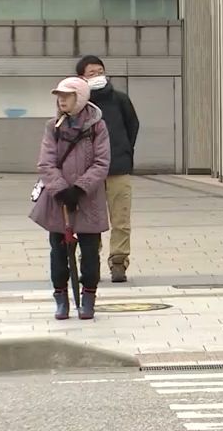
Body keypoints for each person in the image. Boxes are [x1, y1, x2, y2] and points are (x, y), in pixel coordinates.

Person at [30, 77, 110, 320]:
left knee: (89, 251)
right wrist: (62, 189)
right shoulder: (53, 126)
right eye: (59, 95)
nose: (61, 99)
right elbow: (46, 162)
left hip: (88, 199)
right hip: (59, 200)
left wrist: (80, 188)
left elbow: (102, 162)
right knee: (58, 251)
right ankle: (61, 297)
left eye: (67, 95)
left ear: (81, 97)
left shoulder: (98, 126)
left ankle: (88, 297)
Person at [77, 55, 139, 283]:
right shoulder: (79, 104)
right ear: (81, 78)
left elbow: (132, 125)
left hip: (118, 168)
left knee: (121, 217)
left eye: (99, 71)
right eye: (91, 73)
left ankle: (119, 262)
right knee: (90, 219)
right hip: (88, 172)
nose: (97, 76)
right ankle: (89, 261)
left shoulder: (120, 99)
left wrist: (124, 151)